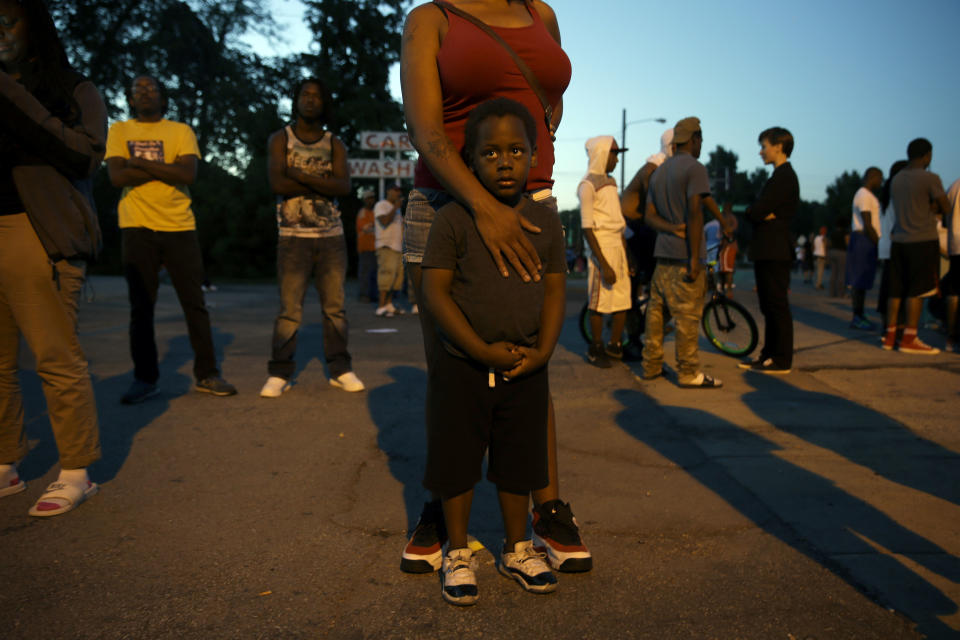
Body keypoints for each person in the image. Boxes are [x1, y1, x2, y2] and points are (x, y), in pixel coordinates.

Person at [399, 0, 588, 576]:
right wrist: (484, 206)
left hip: (530, 207)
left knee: (530, 364)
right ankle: (440, 507)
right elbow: (425, 129)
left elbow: (548, 103)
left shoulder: (542, 15)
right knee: (451, 371)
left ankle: (546, 510)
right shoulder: (431, 18)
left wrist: (529, 169)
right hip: (446, 203)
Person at [421, 98, 564, 605]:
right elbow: (435, 292)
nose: (505, 161)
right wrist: (480, 349)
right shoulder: (455, 220)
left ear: (533, 156)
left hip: (525, 364)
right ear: (470, 159)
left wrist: (544, 351)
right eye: (490, 153)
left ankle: (519, 546)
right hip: (464, 365)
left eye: (516, 150)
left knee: (519, 462)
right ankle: (458, 552)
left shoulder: (547, 221)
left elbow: (553, 290)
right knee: (457, 462)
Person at [0, 0, 103, 516]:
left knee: (54, 355)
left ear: (33, 25)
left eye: (7, 19)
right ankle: (6, 462)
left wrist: (11, 92)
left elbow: (85, 153)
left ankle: (77, 470)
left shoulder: (73, 89)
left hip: (37, 229)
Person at [106, 75, 236, 402]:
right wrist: (165, 167)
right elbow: (116, 176)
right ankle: (145, 379)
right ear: (130, 100)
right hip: (137, 225)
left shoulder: (180, 131)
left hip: (179, 225)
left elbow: (187, 174)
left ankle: (207, 374)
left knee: (194, 304)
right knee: (141, 308)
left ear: (164, 99)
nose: (145, 93)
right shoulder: (119, 131)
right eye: (138, 90)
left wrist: (137, 162)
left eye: (152, 89)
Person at [260, 77, 364, 397]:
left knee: (335, 307)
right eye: (304, 95)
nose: (309, 100)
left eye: (316, 96)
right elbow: (278, 185)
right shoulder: (281, 139)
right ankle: (280, 372)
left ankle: (340, 368)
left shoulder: (335, 143)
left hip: (331, 236)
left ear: (324, 103)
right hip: (293, 236)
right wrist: (322, 180)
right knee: (290, 309)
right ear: (296, 100)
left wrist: (299, 175)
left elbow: (344, 187)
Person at [641, 117, 721, 388]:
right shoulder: (695, 168)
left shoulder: (660, 172)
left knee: (656, 316)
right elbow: (695, 212)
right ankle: (688, 373)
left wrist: (670, 227)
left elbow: (648, 216)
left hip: (661, 257)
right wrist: (695, 259)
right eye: (700, 140)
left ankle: (650, 367)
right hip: (684, 256)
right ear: (694, 139)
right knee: (687, 318)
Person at [738, 127, 799, 374]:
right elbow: (759, 211)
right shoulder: (777, 177)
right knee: (768, 305)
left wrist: (759, 213)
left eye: (764, 146)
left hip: (775, 250)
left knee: (776, 305)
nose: (761, 151)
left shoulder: (785, 176)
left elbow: (756, 211)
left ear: (779, 146)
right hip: (768, 248)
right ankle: (768, 355)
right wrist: (761, 213)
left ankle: (781, 359)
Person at [884, 138, 951, 354]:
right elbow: (946, 206)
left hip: (899, 241)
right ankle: (910, 339)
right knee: (918, 290)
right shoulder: (930, 178)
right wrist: (932, 205)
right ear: (927, 156)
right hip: (922, 240)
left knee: (896, 290)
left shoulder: (897, 179)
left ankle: (890, 336)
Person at [579, 136, 632, 367]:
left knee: (622, 300)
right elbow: (587, 228)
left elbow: (619, 224)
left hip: (617, 247)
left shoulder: (610, 183)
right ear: (602, 154)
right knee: (599, 302)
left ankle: (615, 345)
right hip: (602, 248)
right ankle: (596, 347)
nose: (617, 160)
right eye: (614, 154)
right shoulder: (587, 185)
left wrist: (627, 257)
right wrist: (604, 263)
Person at [847, 167, 883, 329]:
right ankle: (857, 316)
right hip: (863, 238)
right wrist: (878, 243)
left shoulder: (867, 195)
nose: (881, 182)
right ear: (872, 176)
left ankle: (860, 314)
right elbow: (867, 223)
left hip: (865, 239)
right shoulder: (863, 195)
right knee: (859, 279)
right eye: (880, 178)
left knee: (864, 279)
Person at [374, 184, 406, 317]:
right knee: (386, 276)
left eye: (399, 191)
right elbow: (385, 221)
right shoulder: (381, 205)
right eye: (395, 190)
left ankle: (389, 304)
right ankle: (381, 306)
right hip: (386, 246)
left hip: (398, 247)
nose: (398, 193)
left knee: (396, 278)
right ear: (388, 191)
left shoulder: (397, 210)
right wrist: (396, 207)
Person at [943, 176, 960, 352]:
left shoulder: (953, 186)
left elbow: (944, 219)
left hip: (955, 244)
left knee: (954, 291)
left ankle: (951, 336)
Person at [355, 188, 378, 302]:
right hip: (365, 247)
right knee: (365, 272)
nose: (370, 201)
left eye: (372, 198)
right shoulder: (362, 212)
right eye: (368, 198)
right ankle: (364, 294)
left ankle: (373, 294)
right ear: (364, 200)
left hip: (376, 246)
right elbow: (365, 227)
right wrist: (374, 224)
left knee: (374, 272)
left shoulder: (376, 212)